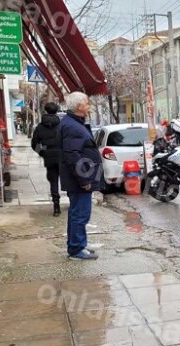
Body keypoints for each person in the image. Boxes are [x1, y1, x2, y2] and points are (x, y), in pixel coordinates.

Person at [59, 92, 104, 260]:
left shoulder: (73, 123)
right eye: (87, 103)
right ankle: (76, 249)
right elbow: (72, 156)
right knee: (80, 214)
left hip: (78, 179)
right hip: (79, 181)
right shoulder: (72, 126)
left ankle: (78, 244)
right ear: (79, 107)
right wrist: (85, 180)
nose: (89, 106)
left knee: (77, 214)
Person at [31, 102, 62, 216]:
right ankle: (72, 202)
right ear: (56, 111)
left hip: (49, 158)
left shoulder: (39, 127)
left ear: (46, 111)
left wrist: (43, 153)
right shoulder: (61, 126)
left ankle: (56, 207)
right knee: (67, 180)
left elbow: (34, 144)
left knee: (53, 182)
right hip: (62, 157)